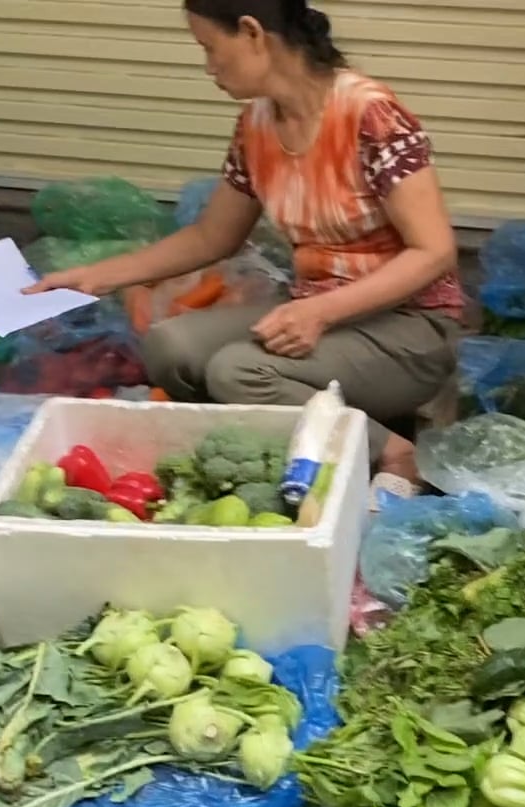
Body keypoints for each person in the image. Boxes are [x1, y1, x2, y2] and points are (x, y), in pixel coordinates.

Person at [28, 0, 463, 484]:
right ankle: (263, 450)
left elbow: (434, 250)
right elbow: (213, 235)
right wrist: (98, 276)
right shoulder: (256, 125)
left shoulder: (371, 116)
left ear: (253, 34)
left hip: (408, 327)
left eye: (211, 48)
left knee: (240, 372)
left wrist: (321, 312)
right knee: (170, 346)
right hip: (316, 312)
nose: (209, 66)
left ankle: (392, 452)